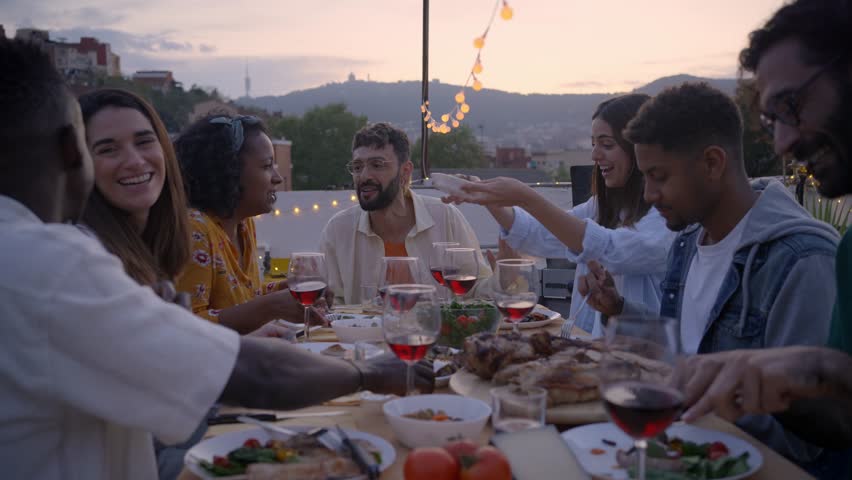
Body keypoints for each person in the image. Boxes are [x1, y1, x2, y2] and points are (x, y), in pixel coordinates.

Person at [0, 38, 433, 480]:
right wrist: (367, 372)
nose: (132, 161)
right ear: (74, 150)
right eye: (106, 148)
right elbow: (250, 374)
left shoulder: (39, 249)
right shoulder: (52, 262)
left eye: (146, 141)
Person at [577, 82, 839, 467]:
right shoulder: (687, 239)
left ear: (713, 163)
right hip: (686, 452)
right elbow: (688, 352)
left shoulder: (799, 261)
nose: (648, 194)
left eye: (659, 176)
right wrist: (619, 308)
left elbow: (808, 440)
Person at [660, 0, 852, 461]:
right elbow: (843, 423)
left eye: (792, 105)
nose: (784, 143)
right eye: (771, 121)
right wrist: (796, 379)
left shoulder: (808, 256)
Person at [450, 94, 675, 336]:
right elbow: (539, 234)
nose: (595, 155)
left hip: (645, 359)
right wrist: (488, 198)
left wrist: (526, 197)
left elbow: (613, 251)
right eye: (593, 144)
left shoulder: (669, 219)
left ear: (640, 151)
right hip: (588, 346)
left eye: (607, 144)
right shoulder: (601, 207)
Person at [174, 113, 327, 333]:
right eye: (266, 166)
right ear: (229, 172)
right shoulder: (195, 229)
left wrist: (286, 290)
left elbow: (243, 298)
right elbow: (186, 326)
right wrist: (271, 306)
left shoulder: (243, 226)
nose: (278, 177)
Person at [319, 122, 490, 304]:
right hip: (363, 333)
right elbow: (330, 305)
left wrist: (504, 278)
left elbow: (477, 292)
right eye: (358, 167)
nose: (364, 176)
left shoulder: (445, 217)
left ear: (405, 172)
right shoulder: (338, 230)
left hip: (436, 332)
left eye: (377, 165)